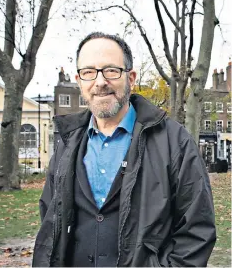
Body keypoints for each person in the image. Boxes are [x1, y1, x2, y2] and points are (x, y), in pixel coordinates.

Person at [32, 32, 216, 267]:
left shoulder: (175, 141)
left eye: (111, 70)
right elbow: (51, 220)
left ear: (130, 78)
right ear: (79, 81)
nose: (100, 82)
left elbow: (197, 229)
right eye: (89, 72)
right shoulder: (68, 144)